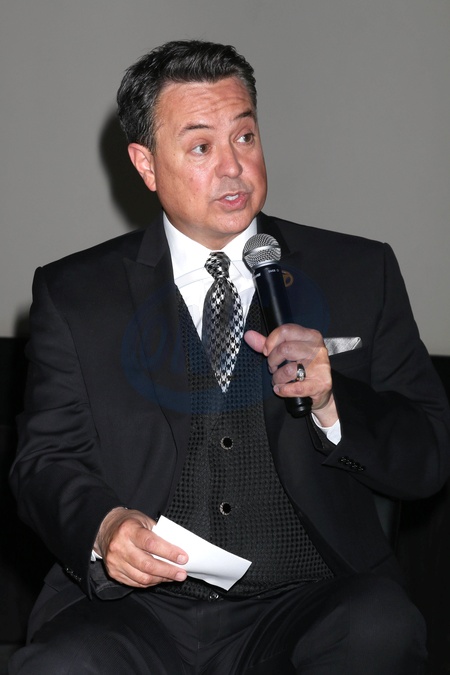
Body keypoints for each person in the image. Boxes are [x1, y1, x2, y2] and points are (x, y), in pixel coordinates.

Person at [9, 39, 450, 675]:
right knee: (61, 665)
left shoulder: (360, 271)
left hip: (309, 602)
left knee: (379, 629)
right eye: (200, 147)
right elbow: (45, 462)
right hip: (137, 613)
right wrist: (104, 528)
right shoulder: (76, 294)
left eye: (245, 137)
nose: (234, 167)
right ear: (146, 164)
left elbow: (429, 454)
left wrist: (332, 404)